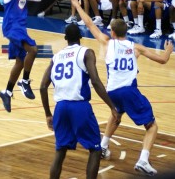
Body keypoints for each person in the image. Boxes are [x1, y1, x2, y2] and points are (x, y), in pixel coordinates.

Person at [71, 0, 174, 176]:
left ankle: (102, 146)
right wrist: (168, 49)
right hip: (128, 90)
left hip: (111, 92)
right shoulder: (136, 48)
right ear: (127, 32)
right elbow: (163, 60)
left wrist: (77, 5)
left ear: (111, 32)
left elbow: (88, 23)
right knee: (152, 126)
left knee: (116, 115)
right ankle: (143, 160)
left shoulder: (106, 42)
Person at [40, 23, 119, 179]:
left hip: (60, 107)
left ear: (65, 38)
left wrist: (48, 114)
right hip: (79, 106)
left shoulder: (56, 57)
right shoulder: (86, 53)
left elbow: (42, 87)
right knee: (95, 149)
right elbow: (95, 81)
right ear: (81, 37)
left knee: (60, 151)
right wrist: (112, 106)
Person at [0, 0, 49, 113]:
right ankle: (25, 81)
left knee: (20, 61)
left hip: (20, 27)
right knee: (33, 50)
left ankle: (7, 91)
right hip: (12, 26)